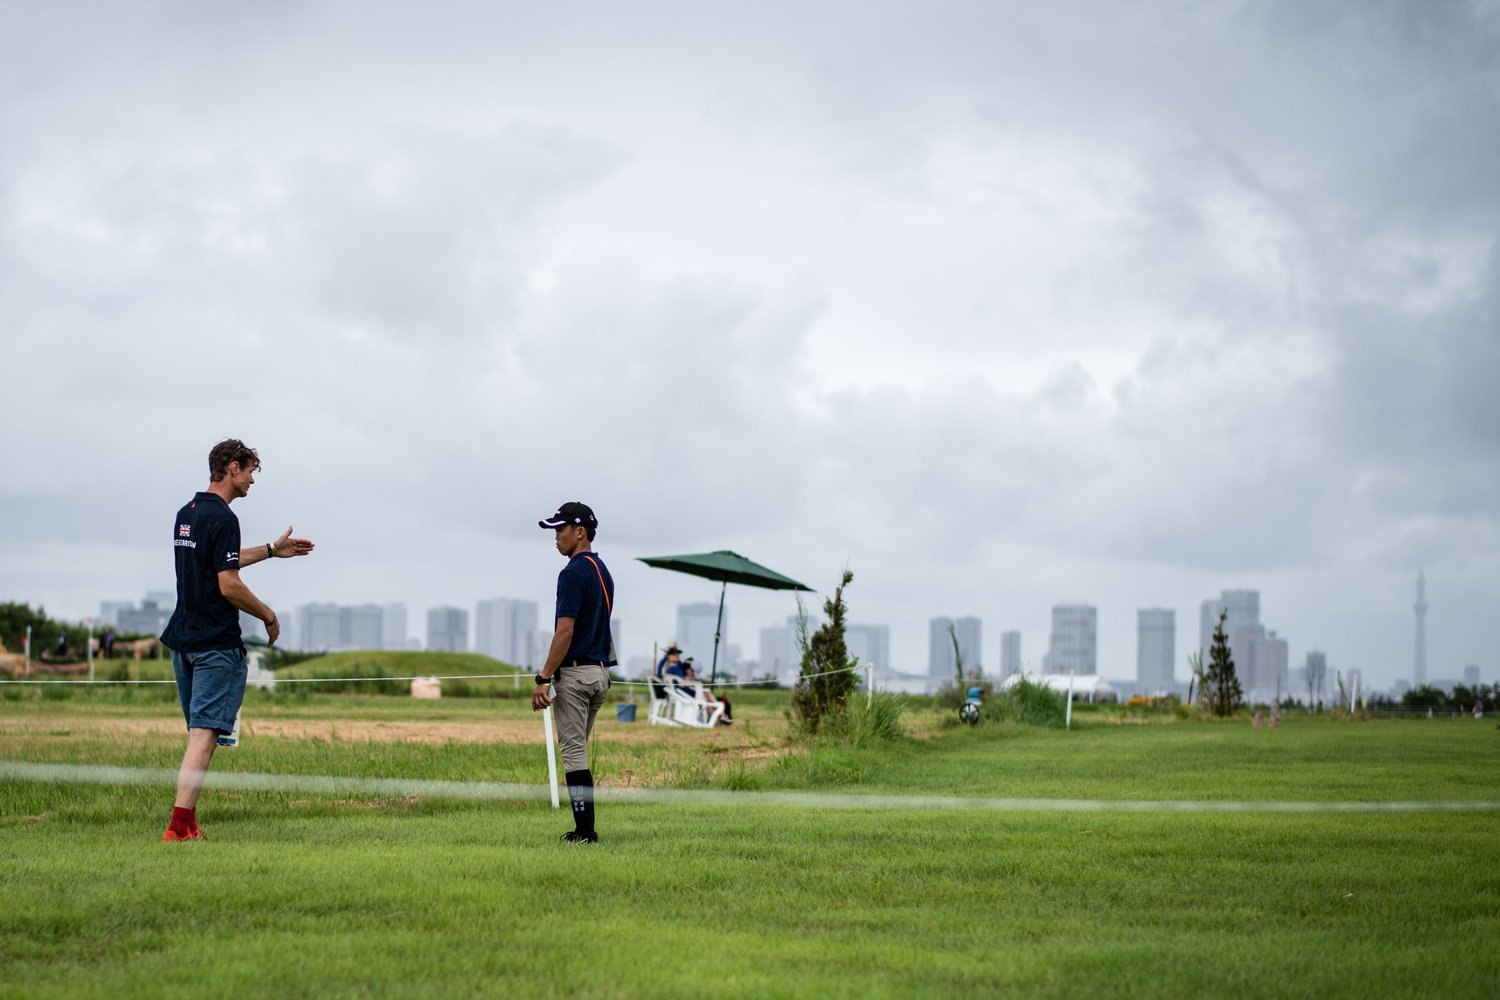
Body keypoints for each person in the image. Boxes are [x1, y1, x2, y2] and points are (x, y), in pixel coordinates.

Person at [158, 439, 314, 842]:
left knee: (200, 734)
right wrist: (268, 615)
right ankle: (178, 828)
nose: (251, 481)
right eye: (249, 472)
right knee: (204, 735)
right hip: (215, 643)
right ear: (233, 468)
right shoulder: (225, 518)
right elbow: (228, 583)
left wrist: (271, 550)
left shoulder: (187, 513)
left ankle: (189, 824)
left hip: (183, 640)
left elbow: (220, 559)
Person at [531, 501, 614, 844]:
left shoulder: (572, 573)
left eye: (560, 530)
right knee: (577, 750)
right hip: (599, 674)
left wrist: (544, 678)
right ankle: (585, 829)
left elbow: (565, 631)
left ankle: (584, 832)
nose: (556, 537)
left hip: (576, 676)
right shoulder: (602, 570)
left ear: (579, 532)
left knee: (573, 754)